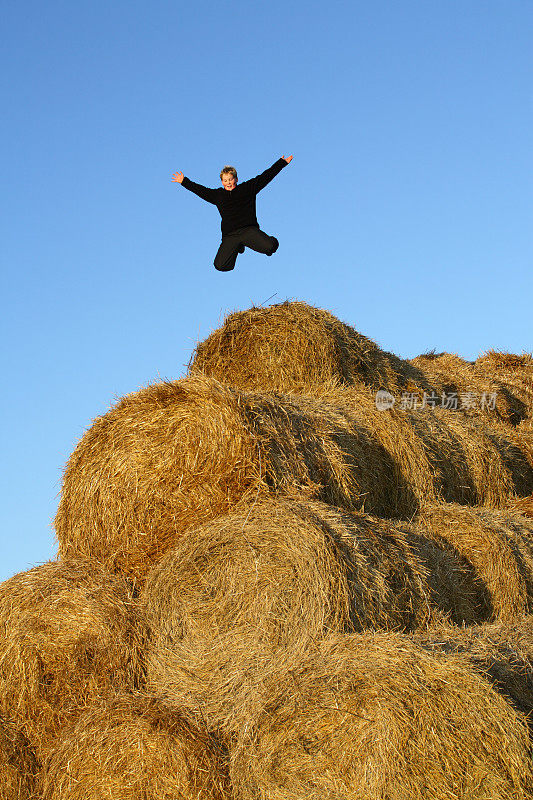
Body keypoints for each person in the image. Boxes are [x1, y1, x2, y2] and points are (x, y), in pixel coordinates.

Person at [172, 155, 293, 272]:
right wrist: (184, 181)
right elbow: (201, 191)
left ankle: (268, 241)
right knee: (220, 266)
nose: (228, 182)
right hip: (230, 235)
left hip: (248, 230)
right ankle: (237, 247)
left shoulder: (247, 188)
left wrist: (281, 163)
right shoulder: (218, 195)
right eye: (225, 180)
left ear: (236, 179)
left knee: (270, 247)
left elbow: (265, 177)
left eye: (230, 179)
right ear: (221, 181)